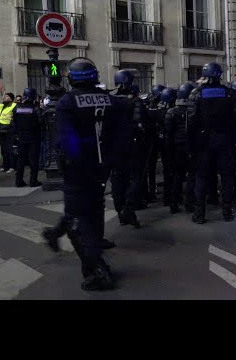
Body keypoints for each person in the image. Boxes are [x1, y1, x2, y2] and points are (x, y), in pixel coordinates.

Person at [45, 57, 128, 291]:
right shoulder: (115, 103)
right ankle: (55, 235)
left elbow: (69, 142)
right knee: (90, 212)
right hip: (103, 168)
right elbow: (121, 139)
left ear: (71, 78)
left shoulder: (66, 103)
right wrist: (107, 165)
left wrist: (78, 167)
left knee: (76, 221)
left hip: (80, 171)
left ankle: (97, 270)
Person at [186, 62, 236, 223]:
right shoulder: (230, 94)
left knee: (202, 177)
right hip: (225, 140)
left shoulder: (196, 94)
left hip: (204, 142)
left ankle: (199, 213)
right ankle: (227, 211)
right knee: (226, 176)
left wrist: (190, 146)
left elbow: (191, 123)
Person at [110, 69, 144, 228]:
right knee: (134, 178)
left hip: (113, 146)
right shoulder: (135, 101)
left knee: (117, 179)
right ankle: (128, 209)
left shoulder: (109, 99)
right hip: (131, 145)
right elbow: (140, 123)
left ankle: (120, 211)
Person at [164, 82, 196, 213]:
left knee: (177, 176)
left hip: (177, 149)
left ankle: (174, 203)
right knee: (192, 176)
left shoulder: (171, 112)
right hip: (191, 148)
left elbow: (168, 133)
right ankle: (189, 203)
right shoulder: (193, 111)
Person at [12, 88, 44, 187]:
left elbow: (14, 122)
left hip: (21, 137)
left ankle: (18, 181)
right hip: (33, 137)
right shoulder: (35, 108)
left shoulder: (17, 108)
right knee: (33, 160)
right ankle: (33, 181)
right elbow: (41, 122)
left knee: (21, 160)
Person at [0, 93, 17, 173]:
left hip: (9, 130)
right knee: (3, 149)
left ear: (11, 98)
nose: (5, 97)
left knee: (10, 149)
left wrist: (13, 126)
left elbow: (15, 117)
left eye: (7, 96)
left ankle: (12, 166)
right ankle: (5, 166)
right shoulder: (1, 106)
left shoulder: (14, 105)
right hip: (1, 129)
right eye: (5, 96)